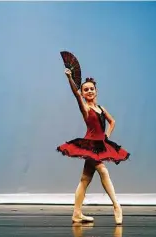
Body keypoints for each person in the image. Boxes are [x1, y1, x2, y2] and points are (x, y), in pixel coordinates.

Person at [56, 68, 130, 225]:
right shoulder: (86, 108)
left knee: (85, 179)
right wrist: (69, 78)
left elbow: (112, 122)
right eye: (85, 90)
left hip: (100, 144)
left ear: (96, 91)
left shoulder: (101, 108)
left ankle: (76, 214)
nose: (89, 91)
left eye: (91, 89)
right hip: (89, 145)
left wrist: (106, 137)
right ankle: (117, 206)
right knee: (103, 170)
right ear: (82, 94)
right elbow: (75, 94)